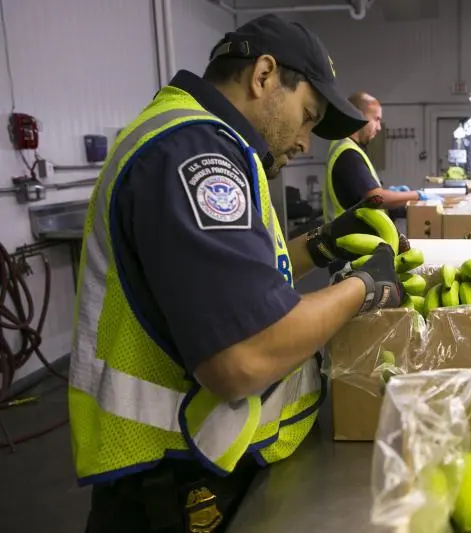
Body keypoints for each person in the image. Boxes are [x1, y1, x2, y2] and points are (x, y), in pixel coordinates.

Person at [69, 15, 404, 533]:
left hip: (183, 471)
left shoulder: (195, 138)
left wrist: (319, 245)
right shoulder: (196, 151)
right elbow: (244, 355)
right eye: (308, 117)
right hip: (176, 484)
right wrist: (365, 285)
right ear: (264, 75)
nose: (305, 143)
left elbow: (241, 281)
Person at [323, 91, 441, 225]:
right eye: (376, 119)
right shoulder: (348, 153)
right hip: (351, 241)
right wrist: (418, 195)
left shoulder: (348, 148)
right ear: (357, 116)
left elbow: (362, 199)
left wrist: (393, 195)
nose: (379, 128)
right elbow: (375, 198)